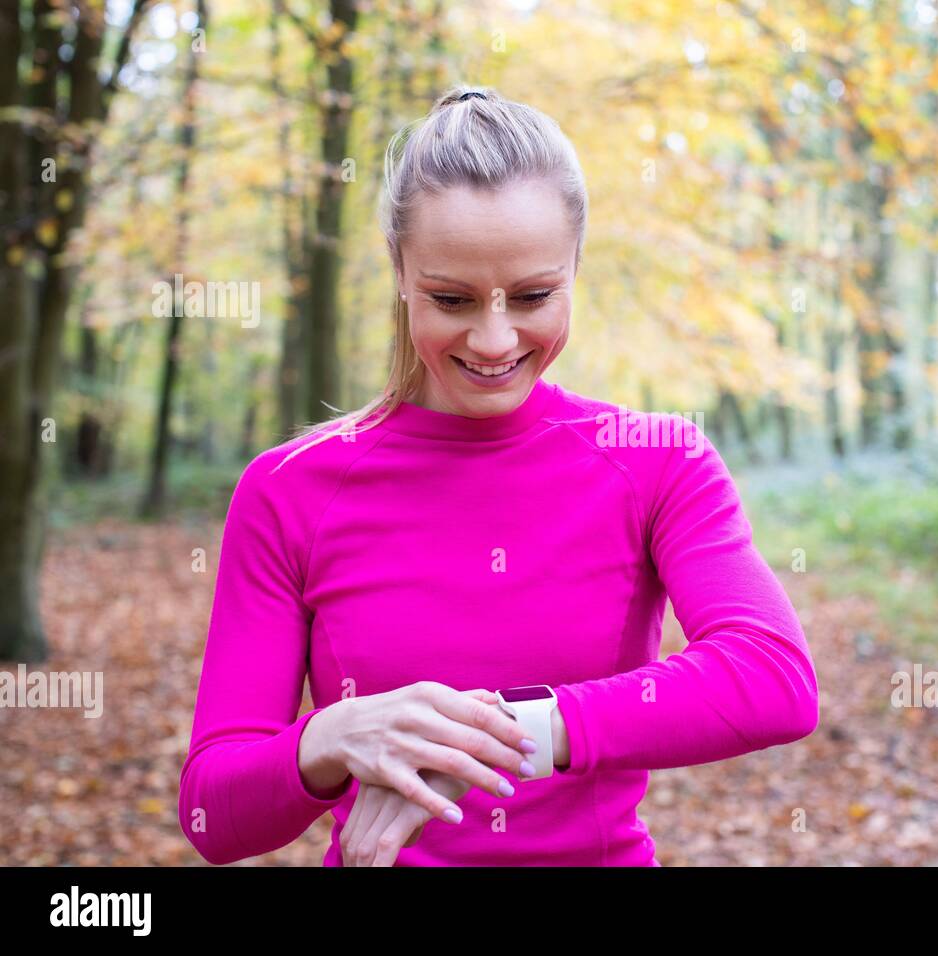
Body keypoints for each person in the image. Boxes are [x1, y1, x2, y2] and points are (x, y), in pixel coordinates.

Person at [177, 85, 819, 867]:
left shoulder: (656, 459)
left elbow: (772, 676)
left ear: (576, 267)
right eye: (451, 297)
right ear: (401, 272)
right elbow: (214, 814)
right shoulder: (290, 489)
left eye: (534, 295)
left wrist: (512, 733)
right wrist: (332, 737)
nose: (493, 338)